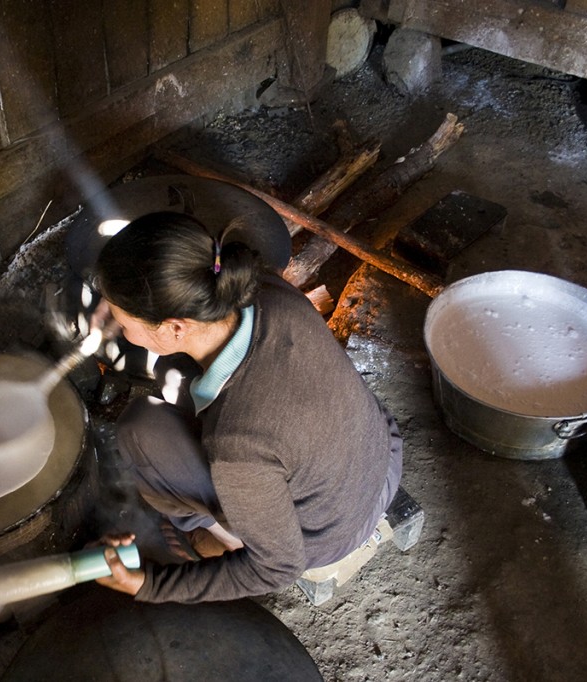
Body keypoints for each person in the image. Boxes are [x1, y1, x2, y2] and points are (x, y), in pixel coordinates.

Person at [90, 211, 402, 603]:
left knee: (141, 430)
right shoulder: (264, 288)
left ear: (174, 327)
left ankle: (216, 537)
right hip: (382, 456)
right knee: (173, 367)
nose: (120, 327)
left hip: (326, 534)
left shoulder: (238, 444)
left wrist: (148, 585)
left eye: (123, 319)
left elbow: (279, 567)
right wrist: (119, 300)